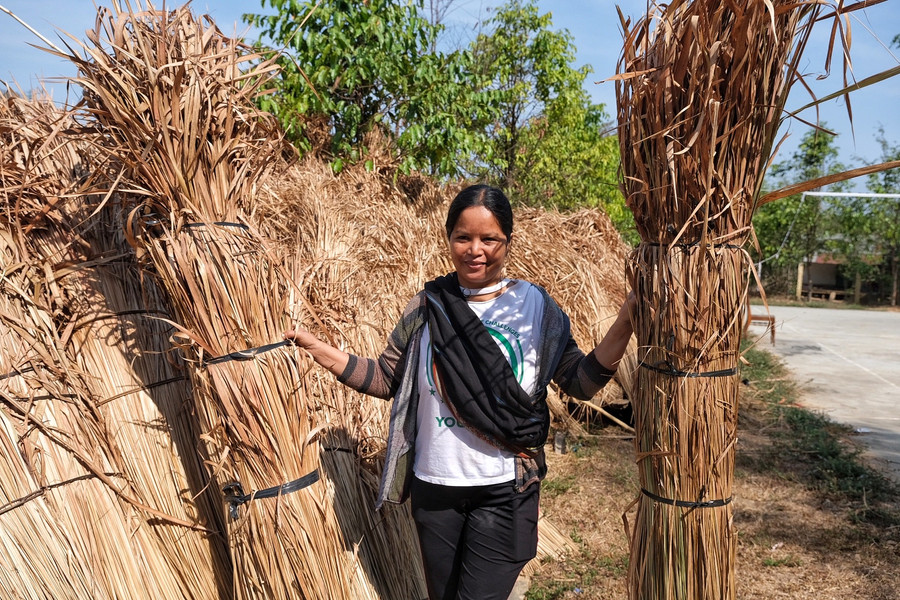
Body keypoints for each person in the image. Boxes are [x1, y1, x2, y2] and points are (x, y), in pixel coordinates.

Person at [284, 184, 635, 600]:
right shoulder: (429, 305)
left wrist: (628, 318)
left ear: (508, 241)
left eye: (489, 239)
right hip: (435, 488)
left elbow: (580, 381)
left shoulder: (535, 306)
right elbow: (385, 378)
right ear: (449, 238)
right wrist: (320, 350)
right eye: (463, 237)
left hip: (505, 487)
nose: (475, 250)